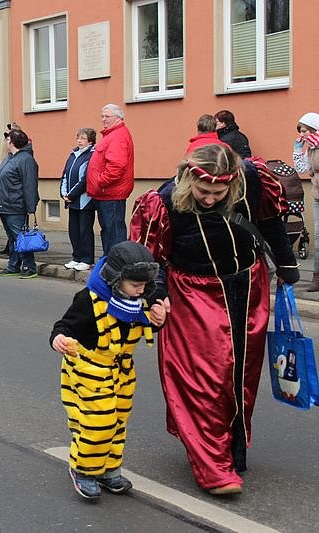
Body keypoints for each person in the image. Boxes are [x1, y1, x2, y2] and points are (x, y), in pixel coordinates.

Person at [130, 143, 299, 495]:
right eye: (202, 191)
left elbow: (270, 224)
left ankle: (230, 451)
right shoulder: (163, 201)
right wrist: (156, 295)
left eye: (218, 193)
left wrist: (286, 265)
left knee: (241, 376)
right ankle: (213, 468)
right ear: (189, 179)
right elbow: (150, 257)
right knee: (204, 380)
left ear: (232, 183)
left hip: (249, 286)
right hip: (193, 293)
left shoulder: (253, 179)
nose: (209, 199)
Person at [51, 241, 167, 500]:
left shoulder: (139, 297)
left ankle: (108, 469)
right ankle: (83, 470)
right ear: (116, 279)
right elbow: (65, 325)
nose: (141, 290)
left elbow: (142, 322)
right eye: (135, 285)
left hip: (122, 371)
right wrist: (59, 338)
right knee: (98, 422)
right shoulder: (89, 300)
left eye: (144, 284)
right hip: (90, 368)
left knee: (118, 421)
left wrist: (158, 320)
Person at [0, 129, 40, 278]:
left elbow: (29, 185)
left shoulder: (26, 159)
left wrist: (31, 207)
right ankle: (13, 266)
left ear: (12, 142)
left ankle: (29, 267)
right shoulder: (11, 157)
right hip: (5, 204)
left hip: (15, 205)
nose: (6, 142)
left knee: (20, 237)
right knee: (13, 238)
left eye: (8, 139)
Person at [87, 104, 135, 256]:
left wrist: (100, 182)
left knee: (113, 233)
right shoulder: (112, 135)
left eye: (107, 116)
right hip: (106, 193)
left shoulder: (118, 136)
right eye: (102, 116)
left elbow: (116, 166)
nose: (103, 119)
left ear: (118, 118)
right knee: (109, 231)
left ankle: (117, 264)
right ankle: (111, 261)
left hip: (110, 193)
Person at [60, 128, 96, 271]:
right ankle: (76, 257)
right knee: (73, 230)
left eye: (83, 138)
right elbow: (65, 174)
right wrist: (63, 192)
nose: (79, 141)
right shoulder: (73, 154)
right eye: (78, 138)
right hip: (72, 200)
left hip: (84, 200)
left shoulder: (92, 155)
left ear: (90, 141)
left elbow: (85, 179)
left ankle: (87, 259)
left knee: (84, 230)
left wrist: (71, 195)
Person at [292, 112, 319, 291]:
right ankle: (317, 277)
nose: (302, 135)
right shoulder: (310, 148)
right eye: (300, 132)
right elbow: (302, 168)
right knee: (317, 237)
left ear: (314, 129)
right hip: (317, 195)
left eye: (304, 131)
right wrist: (297, 150)